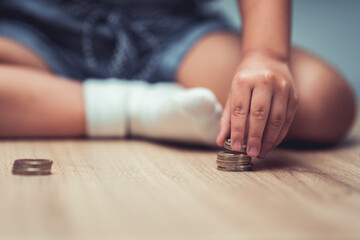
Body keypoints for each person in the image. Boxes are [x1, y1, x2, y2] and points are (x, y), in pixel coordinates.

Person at [0, 0, 355, 158]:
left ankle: (69, 102)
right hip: (30, 32)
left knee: (324, 99)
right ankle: (144, 110)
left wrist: (266, 53)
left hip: (169, 29)